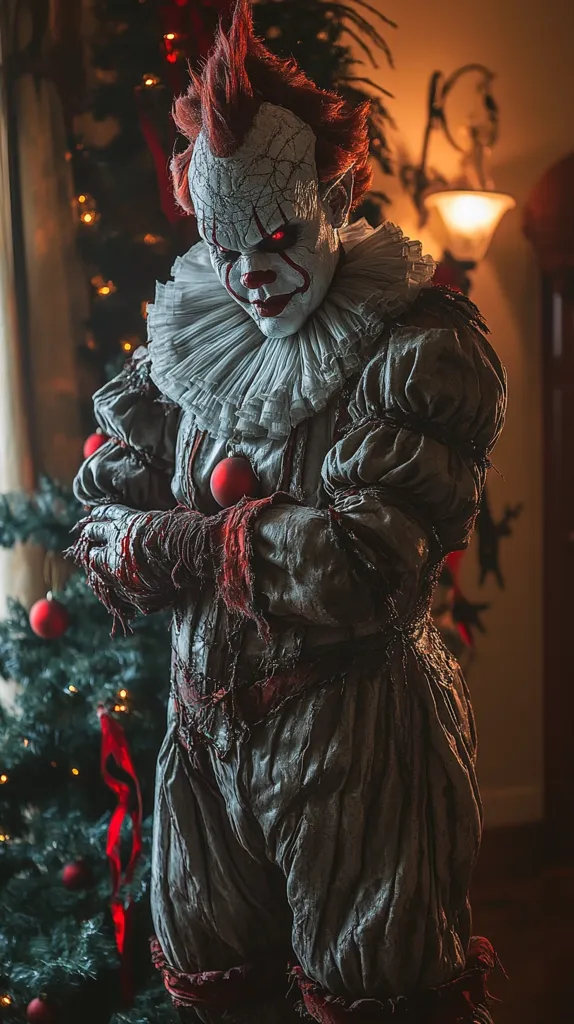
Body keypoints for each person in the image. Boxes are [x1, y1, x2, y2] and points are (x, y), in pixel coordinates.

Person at [68, 2, 506, 1021]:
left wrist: (179, 542)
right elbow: (96, 528)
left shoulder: (415, 347)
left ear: (339, 194)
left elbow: (364, 565)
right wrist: (184, 543)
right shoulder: (185, 350)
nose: (248, 278)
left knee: (375, 994)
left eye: (273, 239)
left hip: (358, 749)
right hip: (202, 750)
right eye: (223, 247)